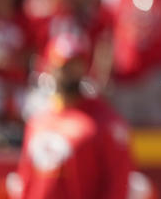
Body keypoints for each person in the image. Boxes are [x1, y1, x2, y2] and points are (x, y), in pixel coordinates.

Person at [15, 33, 133, 199]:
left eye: (77, 64)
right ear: (49, 66)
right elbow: (26, 180)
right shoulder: (37, 121)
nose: (71, 72)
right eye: (64, 64)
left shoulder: (104, 122)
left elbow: (118, 183)